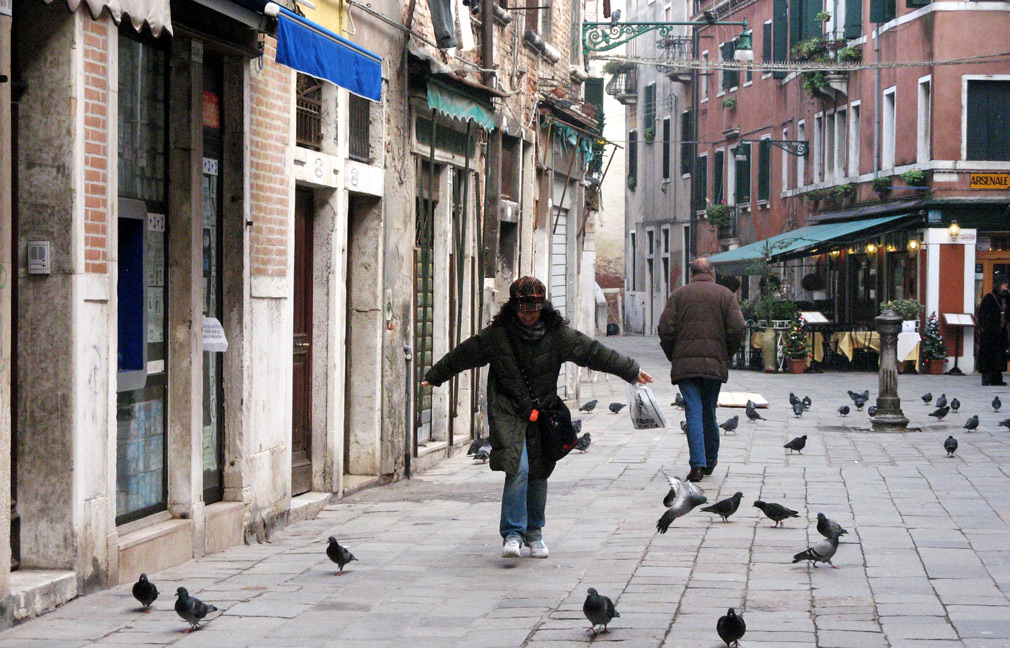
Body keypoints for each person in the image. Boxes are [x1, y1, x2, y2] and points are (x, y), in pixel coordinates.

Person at [421, 276, 652, 559]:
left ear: (542, 308)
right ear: (513, 309)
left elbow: (593, 352)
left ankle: (535, 534)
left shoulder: (558, 335)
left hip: (543, 412)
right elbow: (464, 354)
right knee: (518, 468)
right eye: (523, 310)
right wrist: (435, 376)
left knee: (539, 470)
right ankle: (513, 534)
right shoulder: (497, 336)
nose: (528, 316)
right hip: (508, 409)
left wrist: (630, 371)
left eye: (534, 310)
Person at [657, 258, 746, 483]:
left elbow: (665, 329)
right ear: (712, 273)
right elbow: (738, 329)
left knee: (693, 412)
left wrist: (674, 355)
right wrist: (725, 354)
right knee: (709, 411)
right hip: (713, 364)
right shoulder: (726, 295)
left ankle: (697, 465)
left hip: (686, 366)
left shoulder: (678, 295)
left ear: (692, 274)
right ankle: (710, 459)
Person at [977, 274, 1010, 386]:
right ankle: (986, 378)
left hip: (1001, 332)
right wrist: (988, 327)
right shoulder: (989, 297)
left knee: (1000, 355)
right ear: (999, 285)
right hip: (990, 332)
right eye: (1004, 283)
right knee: (988, 355)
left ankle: (997, 378)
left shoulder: (1007, 298)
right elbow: (982, 315)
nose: (1007, 285)